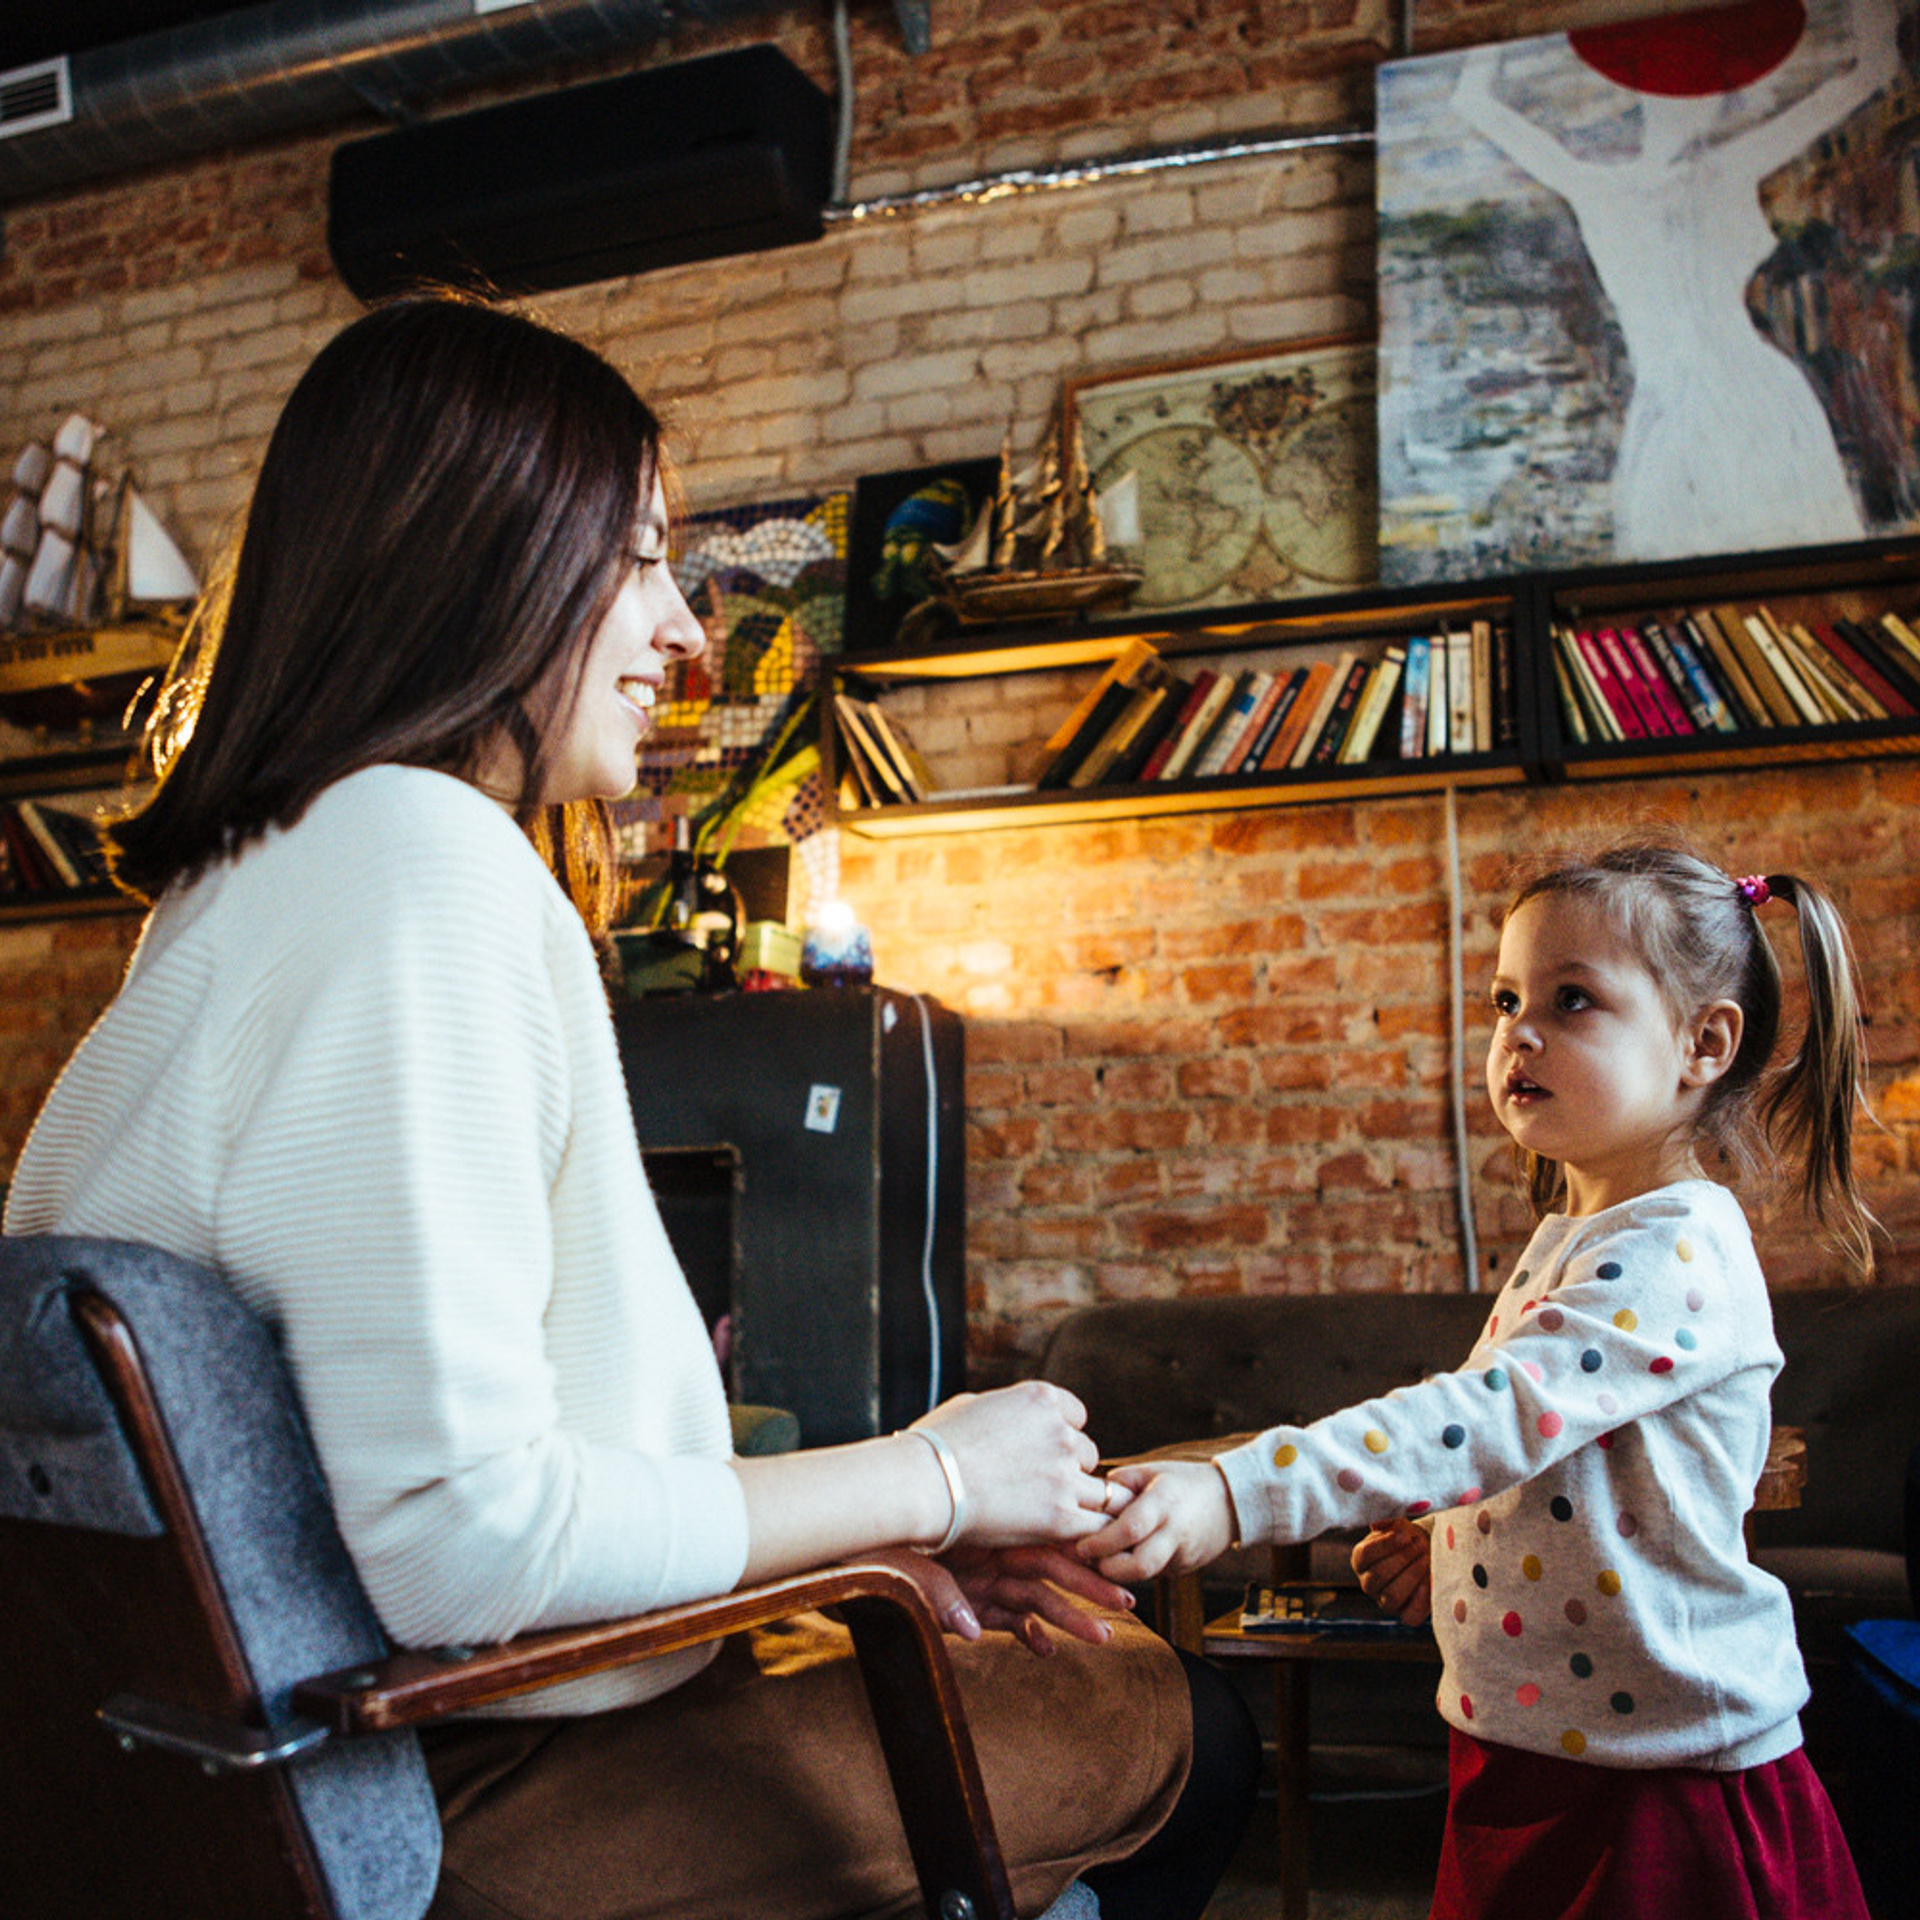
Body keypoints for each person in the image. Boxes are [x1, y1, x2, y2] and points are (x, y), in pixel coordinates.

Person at [2, 294, 1256, 1920]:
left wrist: (851, 1544)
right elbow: (467, 1543)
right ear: (489, 559)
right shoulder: (419, 861)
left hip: (241, 1796)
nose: (684, 630)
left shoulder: (240, 897)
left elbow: (410, 1493)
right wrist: (939, 1473)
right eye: (644, 556)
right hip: (448, 1796)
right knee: (1169, 1720)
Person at [1083, 839, 1876, 1919]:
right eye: (1507, 999)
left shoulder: (1678, 1247)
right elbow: (1545, 1449)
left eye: (1574, 999)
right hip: (1532, 1746)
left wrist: (1236, 1489)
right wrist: (1454, 1542)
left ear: (1703, 1043)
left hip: (1662, 1776)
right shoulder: (1576, 1233)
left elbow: (1486, 1414)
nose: (1521, 1031)